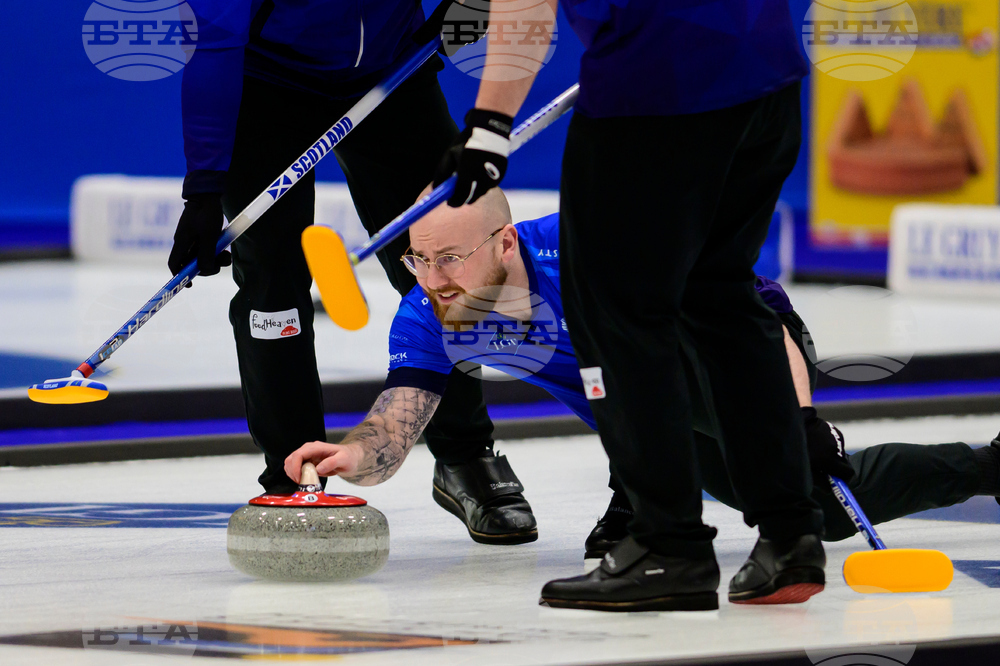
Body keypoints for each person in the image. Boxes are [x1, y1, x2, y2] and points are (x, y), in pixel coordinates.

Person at [285, 191, 1000, 572]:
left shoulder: (590, 247)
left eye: (449, 258)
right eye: (417, 260)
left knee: (795, 476)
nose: (433, 279)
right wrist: (353, 456)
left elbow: (741, 315)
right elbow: (395, 423)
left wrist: (801, 419)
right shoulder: (428, 316)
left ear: (505, 243)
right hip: (651, 406)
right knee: (827, 512)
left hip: (741, 347)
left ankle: (640, 496)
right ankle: (990, 465)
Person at [432, 0, 826, 610]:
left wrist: (488, 125)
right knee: (720, 296)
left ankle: (666, 546)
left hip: (654, 90)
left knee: (618, 319)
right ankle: (790, 536)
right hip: (769, 75)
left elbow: (526, 7)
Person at [166, 0, 537, 545]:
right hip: (267, 80)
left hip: (392, 70)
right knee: (274, 284)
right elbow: (214, 44)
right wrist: (203, 186)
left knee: (442, 266)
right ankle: (295, 474)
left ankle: (465, 456)